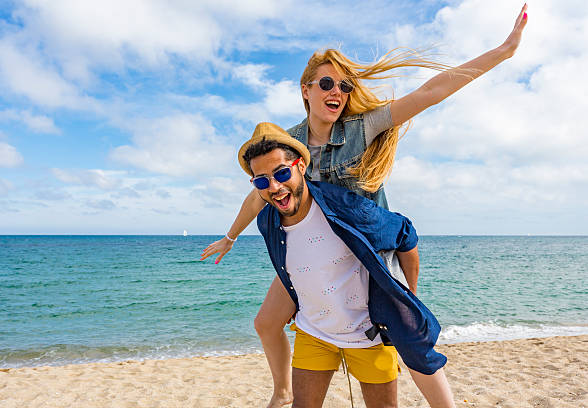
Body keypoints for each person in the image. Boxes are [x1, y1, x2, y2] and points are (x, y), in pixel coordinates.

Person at [202, 5, 528, 407]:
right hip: (316, 255)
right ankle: (283, 390)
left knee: (409, 337)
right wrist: (231, 235)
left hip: (365, 251)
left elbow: (429, 93)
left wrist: (503, 51)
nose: (336, 92)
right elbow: (258, 193)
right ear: (305, 90)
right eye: (325, 83)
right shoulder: (286, 144)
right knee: (266, 321)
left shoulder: (362, 127)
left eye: (344, 86)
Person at [240, 122, 445, 408]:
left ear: (300, 166)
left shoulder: (345, 207)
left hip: (369, 336)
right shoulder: (267, 222)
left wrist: (407, 294)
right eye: (261, 181)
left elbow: (404, 233)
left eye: (281, 173)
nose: (274, 187)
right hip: (314, 334)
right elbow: (294, 266)